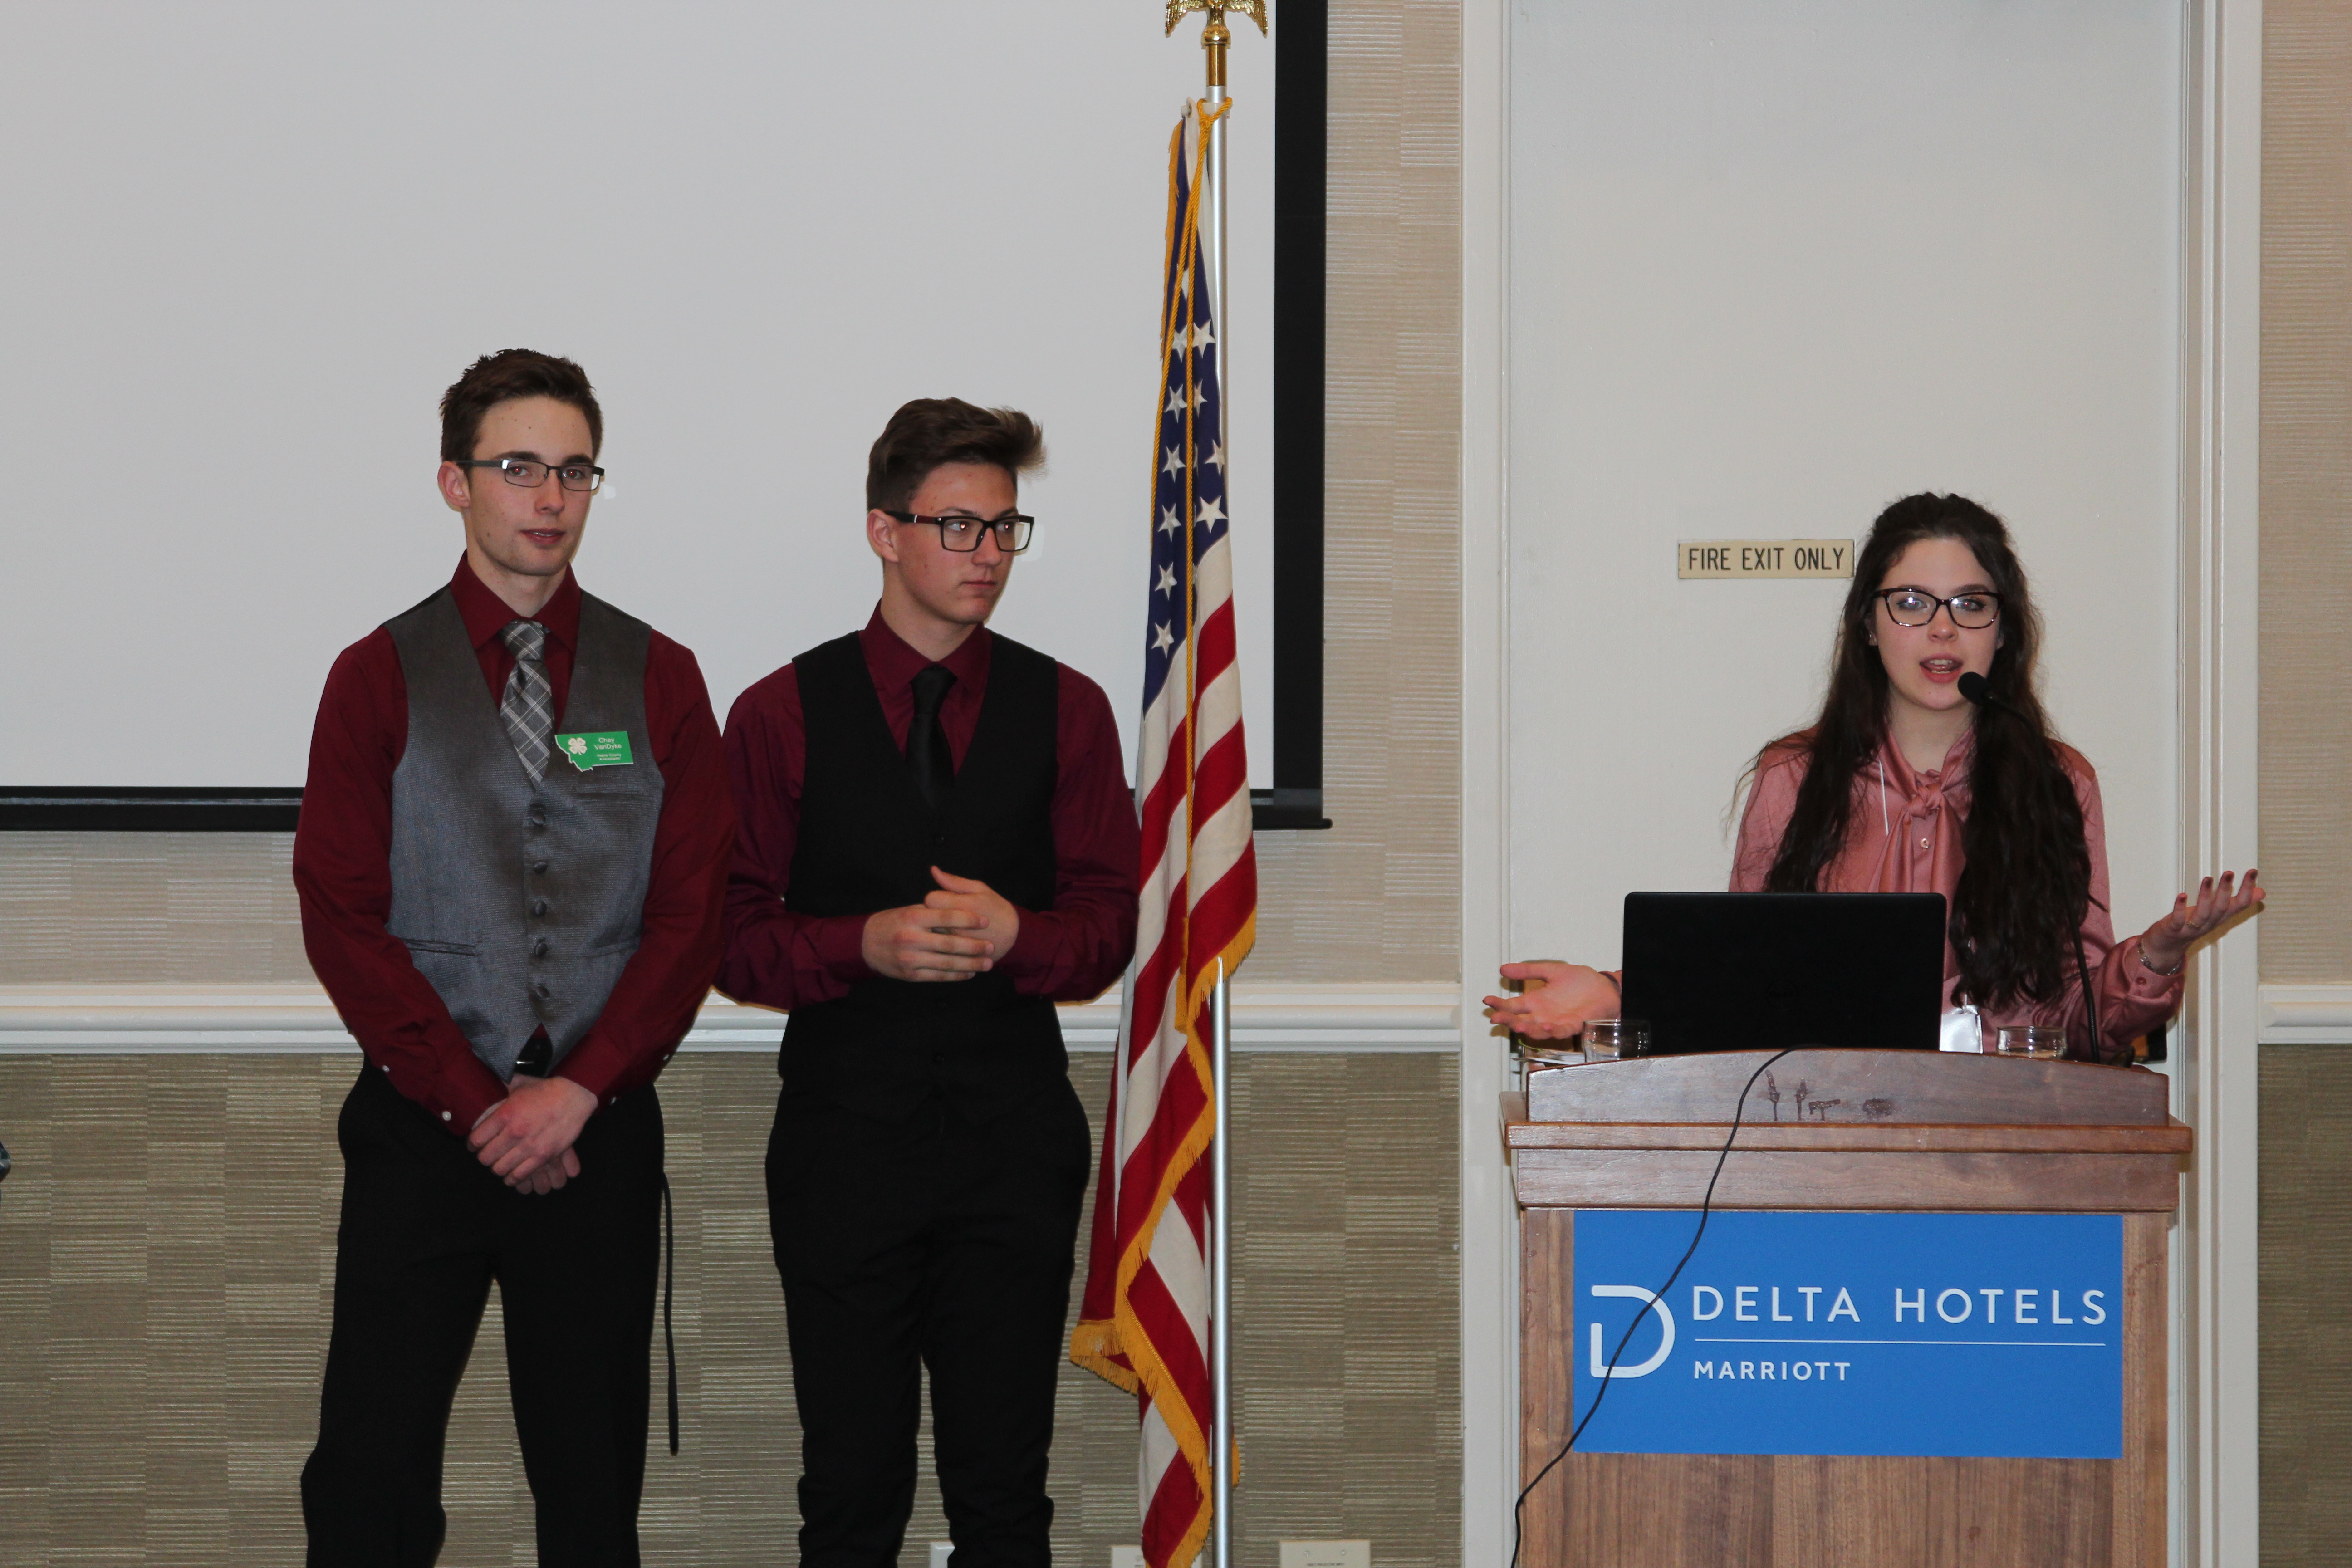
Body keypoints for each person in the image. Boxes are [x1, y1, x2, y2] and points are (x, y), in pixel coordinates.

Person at [293, 349, 734, 1566]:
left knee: (592, 1499)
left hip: (599, 1134)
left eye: (575, 470)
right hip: (420, 1133)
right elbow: (341, 912)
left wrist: (578, 1090)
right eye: (519, 467)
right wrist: (478, 1100)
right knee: (369, 1486)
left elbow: (691, 914)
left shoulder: (666, 678)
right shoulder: (375, 675)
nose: (550, 497)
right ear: (456, 483)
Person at [719, 398, 1139, 1568]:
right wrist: (862, 945)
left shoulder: (1072, 712)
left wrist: (1023, 935)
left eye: (1006, 530)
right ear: (883, 531)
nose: (988, 557)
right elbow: (731, 936)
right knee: (851, 1497)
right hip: (845, 1143)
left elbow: (1111, 924)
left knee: (1004, 1497)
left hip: (1013, 1143)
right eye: (958, 528)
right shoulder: (777, 715)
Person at [1483, 491, 2260, 1060]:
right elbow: (1744, 979)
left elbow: (2072, 1024)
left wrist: (2153, 957)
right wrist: (1624, 991)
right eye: (1913, 602)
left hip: (1998, 1147)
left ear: (2005, 630)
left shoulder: (2059, 784)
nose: (1944, 628)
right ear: (1868, 622)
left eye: (1972, 604)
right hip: (1822, 1136)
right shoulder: (1795, 778)